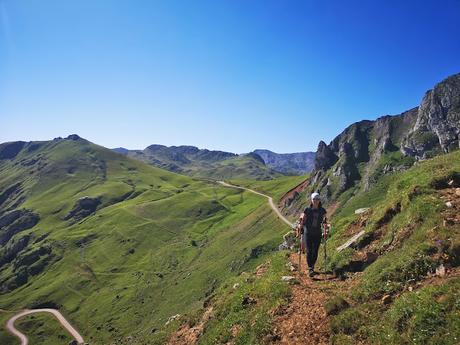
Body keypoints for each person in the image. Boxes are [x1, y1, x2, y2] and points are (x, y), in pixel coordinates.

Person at [296, 192, 327, 277]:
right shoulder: (307, 209)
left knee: (315, 251)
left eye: (317, 199)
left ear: (319, 200)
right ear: (311, 200)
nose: (316, 201)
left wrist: (325, 230)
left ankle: (312, 266)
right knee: (309, 250)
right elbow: (302, 220)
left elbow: (325, 221)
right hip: (308, 233)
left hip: (317, 233)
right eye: (314, 199)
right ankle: (310, 268)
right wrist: (300, 228)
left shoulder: (322, 210)